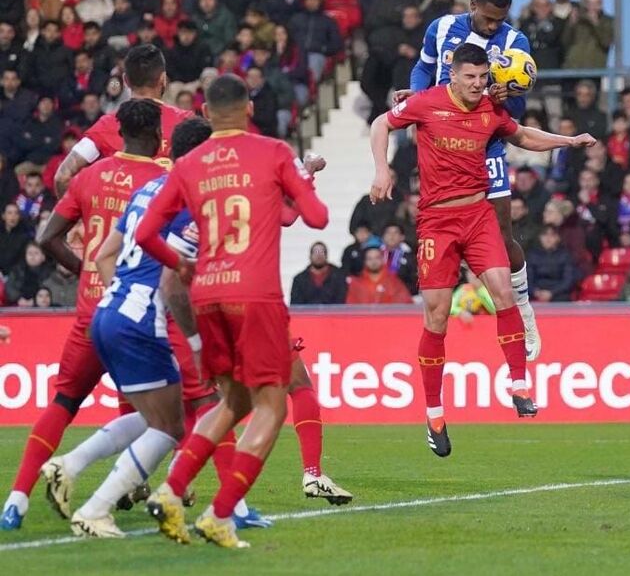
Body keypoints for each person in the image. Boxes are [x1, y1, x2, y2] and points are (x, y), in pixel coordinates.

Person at [370, 43, 596, 456]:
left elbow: (523, 135)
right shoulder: (426, 103)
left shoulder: (491, 108)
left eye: (482, 77)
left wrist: (569, 140)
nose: (478, 84)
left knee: (503, 291)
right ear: (453, 75)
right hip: (437, 221)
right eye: (470, 77)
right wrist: (382, 170)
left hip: (477, 213)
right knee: (437, 317)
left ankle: (519, 384)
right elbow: (380, 124)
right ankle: (434, 413)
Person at [137, 74, 329, 549]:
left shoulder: (188, 164)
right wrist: (302, 178)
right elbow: (317, 217)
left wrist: (180, 264)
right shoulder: (272, 152)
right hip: (256, 295)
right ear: (249, 109)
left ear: (205, 112)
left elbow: (145, 234)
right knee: (272, 405)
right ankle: (220, 514)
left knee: (233, 402)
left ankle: (170, 489)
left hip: (206, 295)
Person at [0, 100, 172, 531]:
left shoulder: (90, 176)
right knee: (165, 411)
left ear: (119, 133)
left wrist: (86, 271)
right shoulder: (162, 180)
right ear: (156, 136)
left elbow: (48, 236)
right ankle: (125, 491)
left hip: (91, 311)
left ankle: (16, 499)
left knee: (63, 402)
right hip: (134, 312)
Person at [405, 0, 544, 360]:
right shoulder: (441, 28)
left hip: (487, 144)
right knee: (439, 225)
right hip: (442, 146)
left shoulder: (514, 42)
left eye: (500, 20)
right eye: (488, 19)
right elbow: (423, 67)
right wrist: (417, 98)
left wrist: (506, 97)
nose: (493, 26)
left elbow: (517, 109)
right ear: (472, 5)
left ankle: (523, 308)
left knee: (502, 233)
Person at [54, 44, 194, 196]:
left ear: (126, 80)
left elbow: (62, 177)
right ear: (163, 79)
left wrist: (78, 211)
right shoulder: (187, 122)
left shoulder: (107, 124)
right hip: (169, 209)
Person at [561, 0, 613, 72]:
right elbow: (565, 41)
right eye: (590, 3)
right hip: (572, 68)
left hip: (594, 69)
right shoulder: (578, 19)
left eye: (596, 3)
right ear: (586, 4)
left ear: (601, 3)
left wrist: (596, 24)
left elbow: (606, 42)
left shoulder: (608, 21)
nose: (593, 7)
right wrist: (571, 24)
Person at [345, 246, 413, 304]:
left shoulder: (394, 282)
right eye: (369, 259)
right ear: (364, 262)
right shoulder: (357, 284)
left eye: (377, 258)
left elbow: (405, 305)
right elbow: (351, 307)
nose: (373, 262)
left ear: (383, 259)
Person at [526, 225, 576, 302]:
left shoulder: (565, 255)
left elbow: (568, 281)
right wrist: (535, 292)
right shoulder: (532, 255)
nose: (548, 238)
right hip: (536, 293)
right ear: (539, 237)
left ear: (558, 238)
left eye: (552, 235)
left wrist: (552, 293)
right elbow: (528, 278)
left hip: (558, 293)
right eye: (545, 234)